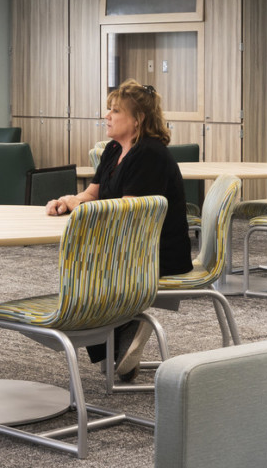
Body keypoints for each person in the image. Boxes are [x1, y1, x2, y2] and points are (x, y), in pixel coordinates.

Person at [48, 80, 190, 380]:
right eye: (108, 110)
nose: (107, 116)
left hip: (154, 251)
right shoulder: (114, 149)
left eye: (115, 111)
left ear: (137, 119)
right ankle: (120, 333)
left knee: (84, 267)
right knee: (83, 266)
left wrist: (83, 209)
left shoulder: (149, 154)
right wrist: (67, 201)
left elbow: (129, 215)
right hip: (127, 246)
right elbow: (92, 194)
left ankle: (124, 325)